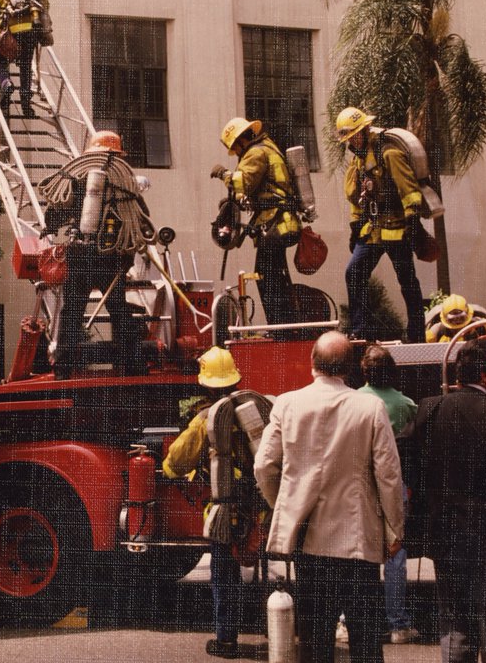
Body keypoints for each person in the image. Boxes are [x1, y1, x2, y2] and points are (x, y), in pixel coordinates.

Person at [254, 331, 405, 663]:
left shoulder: (287, 404)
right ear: (350, 367)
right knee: (366, 640)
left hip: (310, 537)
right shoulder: (370, 407)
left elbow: (264, 465)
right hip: (359, 539)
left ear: (312, 362)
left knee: (315, 638)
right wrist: (395, 528)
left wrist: (284, 505)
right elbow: (389, 475)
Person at [406, 337, 486, 663]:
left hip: (444, 535)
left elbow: (409, 465)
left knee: (454, 623)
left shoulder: (429, 409)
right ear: (484, 374)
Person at [163, 347, 268, 660]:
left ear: (205, 385)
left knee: (224, 576)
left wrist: (167, 469)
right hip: (257, 506)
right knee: (264, 572)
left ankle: (226, 640)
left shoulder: (204, 420)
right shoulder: (254, 407)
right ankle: (276, 631)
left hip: (225, 512)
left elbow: (178, 461)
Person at [42, 130, 150, 377]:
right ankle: (133, 364)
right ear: (116, 154)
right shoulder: (125, 184)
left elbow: (55, 214)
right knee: (119, 309)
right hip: (111, 256)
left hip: (80, 253)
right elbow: (140, 219)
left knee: (72, 311)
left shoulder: (77, 178)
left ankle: (63, 368)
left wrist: (52, 225)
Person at [336, 106, 427, 342]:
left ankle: (417, 333)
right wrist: (355, 227)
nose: (352, 141)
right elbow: (357, 200)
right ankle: (361, 329)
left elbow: (409, 190)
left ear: (366, 130)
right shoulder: (357, 162)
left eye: (355, 135)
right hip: (372, 231)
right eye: (349, 137)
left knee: (407, 281)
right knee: (354, 273)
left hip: (397, 228)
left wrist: (413, 219)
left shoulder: (389, 154)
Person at [212, 117, 300, 330]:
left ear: (241, 140)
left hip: (277, 225)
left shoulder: (255, 152)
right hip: (280, 223)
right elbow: (262, 191)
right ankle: (287, 326)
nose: (237, 151)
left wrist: (223, 173)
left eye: (235, 147)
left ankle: (281, 329)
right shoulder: (268, 147)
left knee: (266, 277)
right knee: (275, 277)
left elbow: (243, 182)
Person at [358, 344, 419, 645]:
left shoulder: (353, 401)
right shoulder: (406, 404)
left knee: (360, 555)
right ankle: (399, 624)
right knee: (396, 556)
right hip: (396, 485)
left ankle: (352, 622)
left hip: (362, 487)